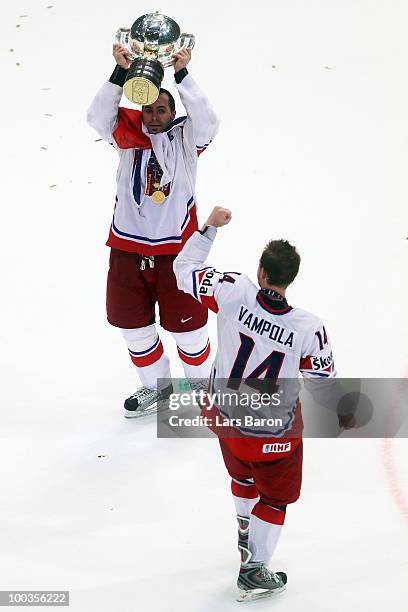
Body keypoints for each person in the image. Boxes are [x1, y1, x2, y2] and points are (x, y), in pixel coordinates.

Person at [173, 206, 353, 602]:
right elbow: (323, 383)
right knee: (274, 498)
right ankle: (254, 568)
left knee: (242, 476)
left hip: (222, 419)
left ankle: (243, 528)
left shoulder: (232, 289)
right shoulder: (308, 327)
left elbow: (183, 268)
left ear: (261, 271)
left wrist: (208, 230)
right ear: (291, 278)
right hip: (273, 435)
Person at [87, 44, 220, 417]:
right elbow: (97, 116)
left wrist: (182, 74)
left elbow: (208, 119)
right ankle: (155, 389)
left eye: (162, 109)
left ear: (173, 112)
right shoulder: (127, 139)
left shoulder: (186, 141)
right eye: (148, 109)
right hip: (127, 250)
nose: (154, 116)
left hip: (177, 253)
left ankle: (202, 389)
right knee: (134, 327)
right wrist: (120, 74)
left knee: (189, 330)